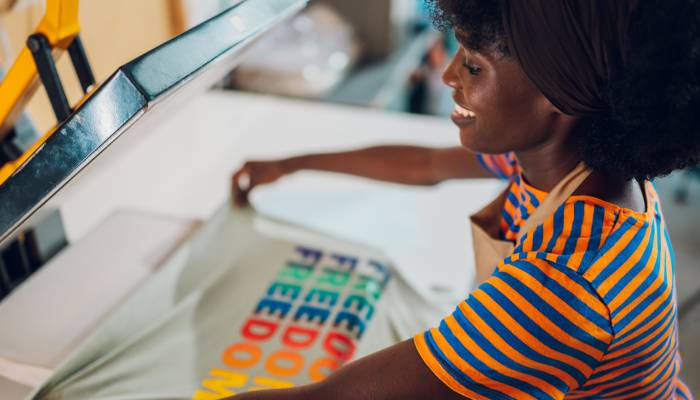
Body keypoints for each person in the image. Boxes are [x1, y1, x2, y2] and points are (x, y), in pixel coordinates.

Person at [228, 0, 698, 398]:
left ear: (558, 96)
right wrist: (289, 164)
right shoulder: (566, 164)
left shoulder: (567, 286)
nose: (449, 74)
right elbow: (422, 166)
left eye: (474, 65)